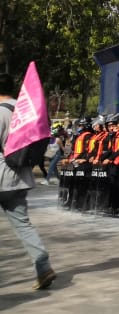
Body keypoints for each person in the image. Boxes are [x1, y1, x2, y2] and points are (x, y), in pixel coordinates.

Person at [0, 72, 56, 290]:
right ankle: (43, 265)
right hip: (20, 175)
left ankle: (43, 267)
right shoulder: (25, 109)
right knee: (23, 223)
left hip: (1, 172)